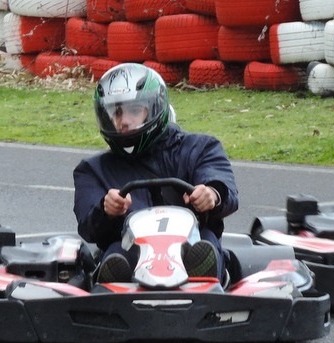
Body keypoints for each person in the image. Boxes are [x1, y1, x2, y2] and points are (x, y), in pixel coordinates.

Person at [73, 62, 239, 283]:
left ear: (154, 107)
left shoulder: (199, 148)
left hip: (191, 245)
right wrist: (107, 210)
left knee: (205, 242)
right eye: (116, 112)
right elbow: (88, 227)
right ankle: (114, 290)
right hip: (130, 252)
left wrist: (212, 194)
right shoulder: (93, 170)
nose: (123, 122)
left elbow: (220, 182)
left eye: (133, 111)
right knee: (115, 253)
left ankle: (202, 283)